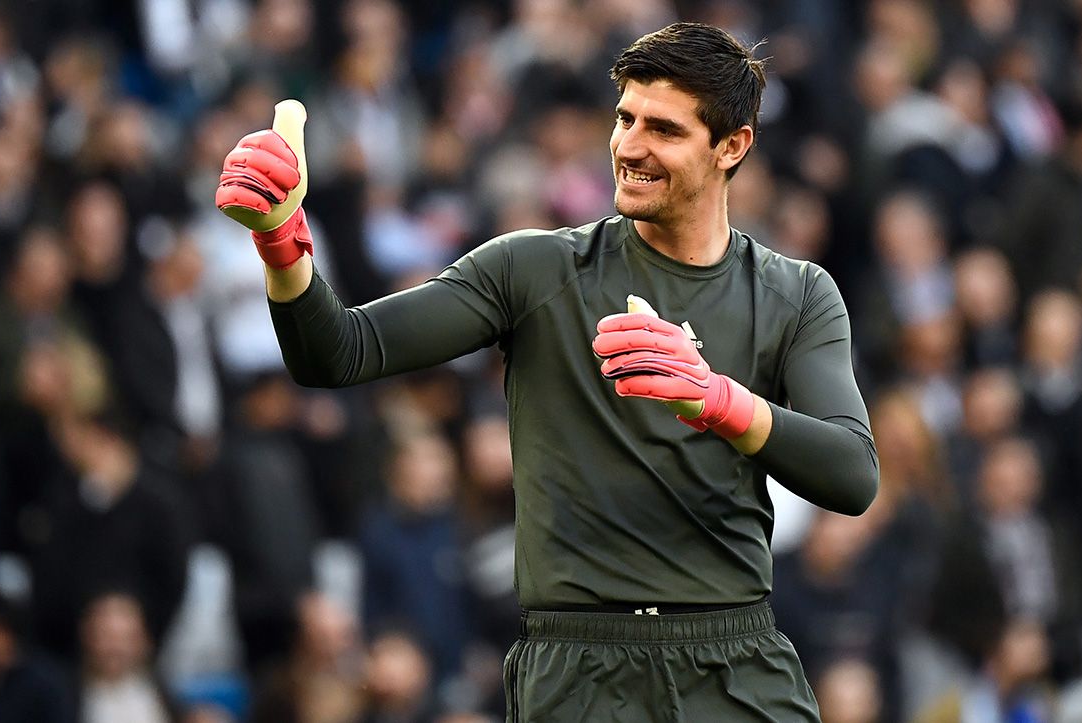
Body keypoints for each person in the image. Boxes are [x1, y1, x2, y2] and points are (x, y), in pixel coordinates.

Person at [215, 22, 878, 722]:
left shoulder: (798, 292)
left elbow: (852, 472)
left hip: (737, 660)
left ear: (732, 145)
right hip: (577, 671)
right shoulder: (532, 268)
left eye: (664, 129)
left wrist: (719, 401)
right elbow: (339, 352)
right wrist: (282, 243)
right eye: (624, 118)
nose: (630, 146)